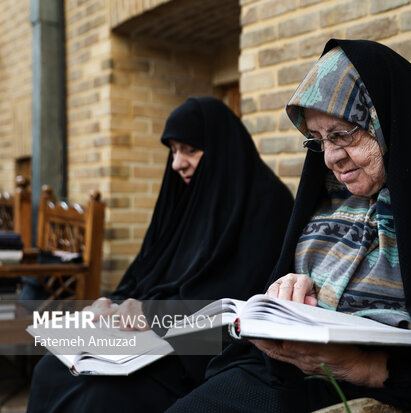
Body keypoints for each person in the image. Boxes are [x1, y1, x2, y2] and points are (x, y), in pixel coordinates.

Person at [165, 40, 411, 413]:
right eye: (318, 140)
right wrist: (291, 289)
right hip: (282, 377)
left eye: (342, 134)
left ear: (385, 120)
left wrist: (362, 367)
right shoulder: (332, 196)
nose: (331, 157)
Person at [26, 97, 294, 413]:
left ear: (221, 148)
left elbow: (237, 299)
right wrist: (112, 302)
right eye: (173, 150)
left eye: (189, 150)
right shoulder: (185, 197)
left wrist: (154, 314)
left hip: (199, 350)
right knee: (50, 369)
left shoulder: (266, 204)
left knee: (99, 397)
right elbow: (148, 270)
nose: (176, 163)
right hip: (145, 340)